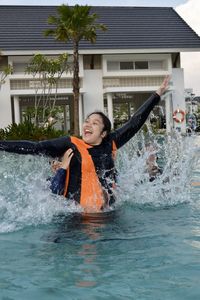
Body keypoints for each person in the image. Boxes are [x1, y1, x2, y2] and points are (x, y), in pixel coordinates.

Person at [0, 76, 170, 213]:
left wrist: (157, 95)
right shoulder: (71, 144)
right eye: (87, 121)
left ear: (103, 133)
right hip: (77, 216)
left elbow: (135, 123)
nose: (88, 125)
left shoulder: (110, 142)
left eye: (95, 123)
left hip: (108, 213)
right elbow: (35, 148)